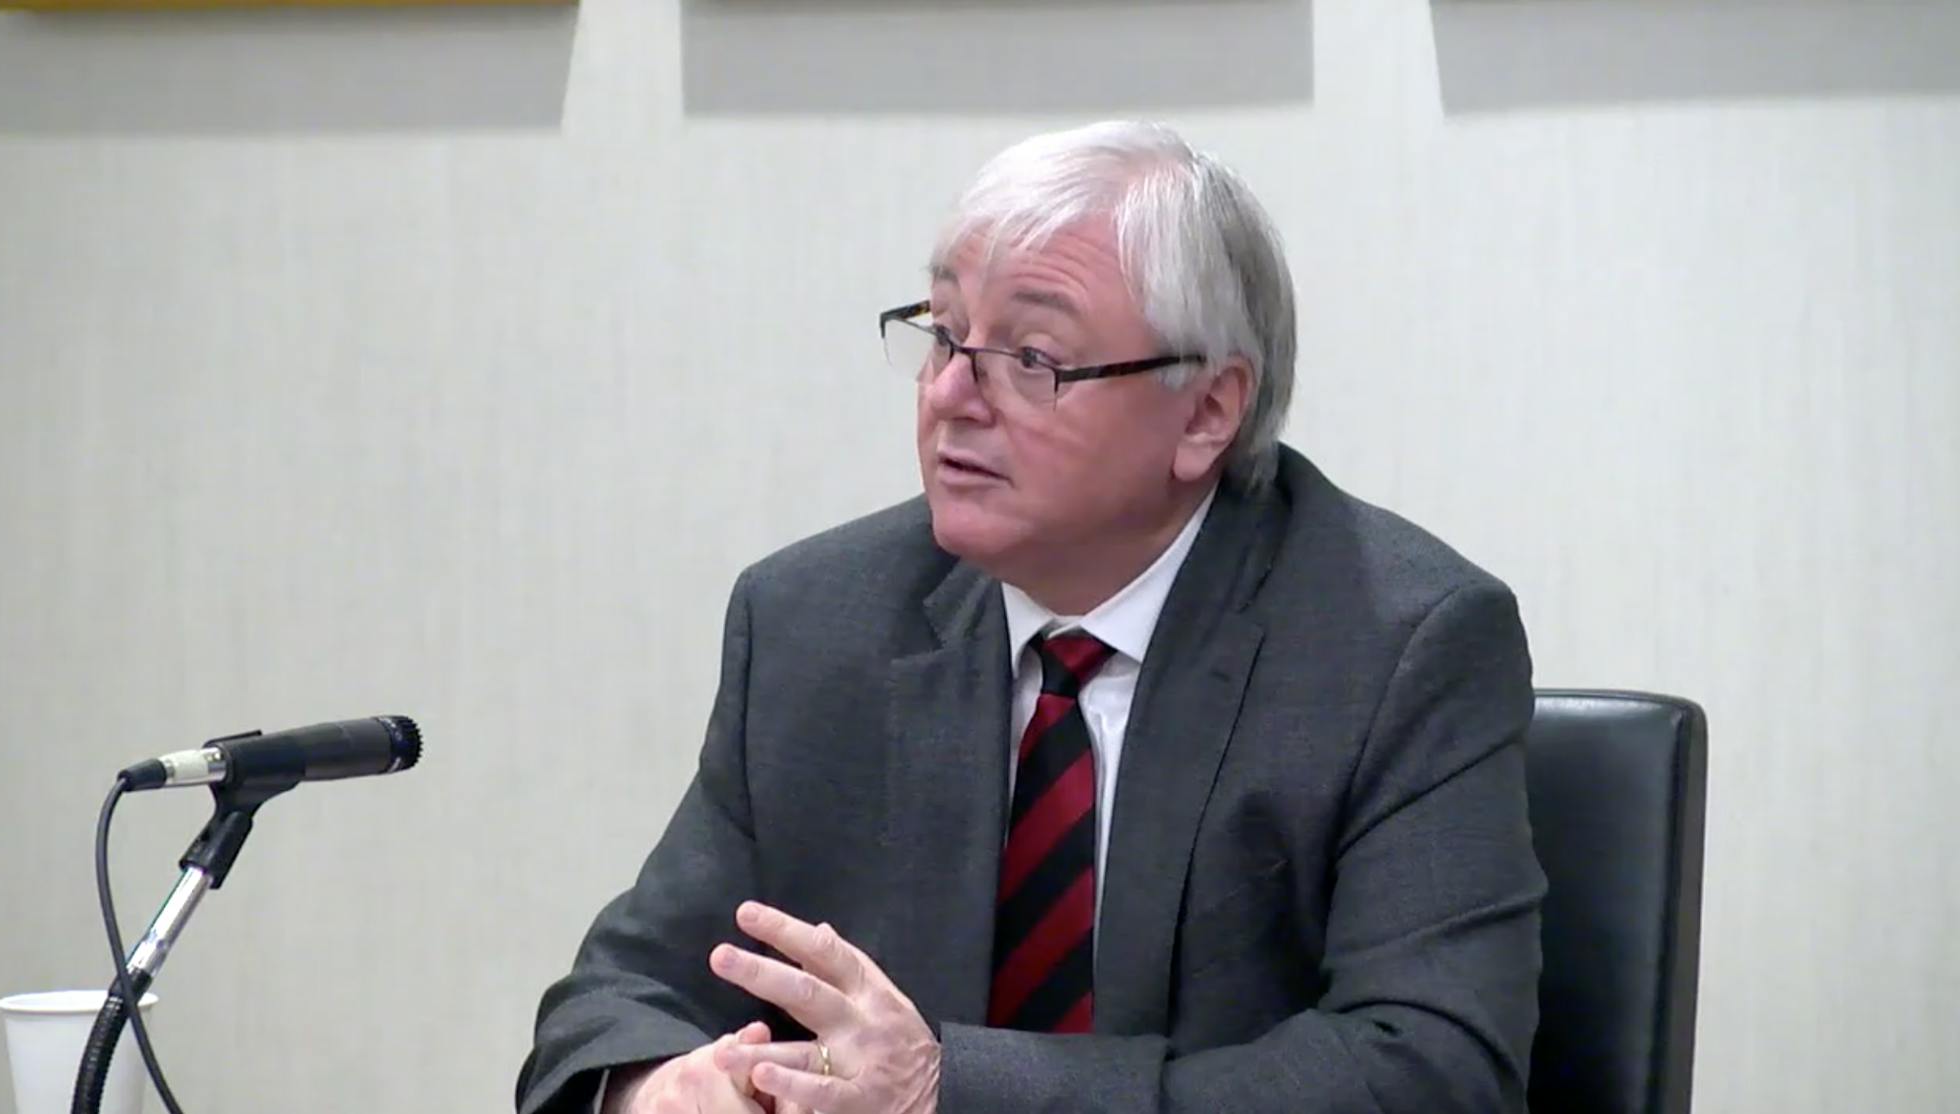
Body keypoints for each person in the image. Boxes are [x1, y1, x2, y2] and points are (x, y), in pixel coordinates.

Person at [517, 121, 1544, 1114]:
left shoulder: (1397, 643)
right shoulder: (813, 624)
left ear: (1204, 412)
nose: (951, 395)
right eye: (941, 332)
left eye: (1033, 358)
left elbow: (1427, 1072)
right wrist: (653, 1085)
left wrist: (948, 1092)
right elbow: (617, 999)